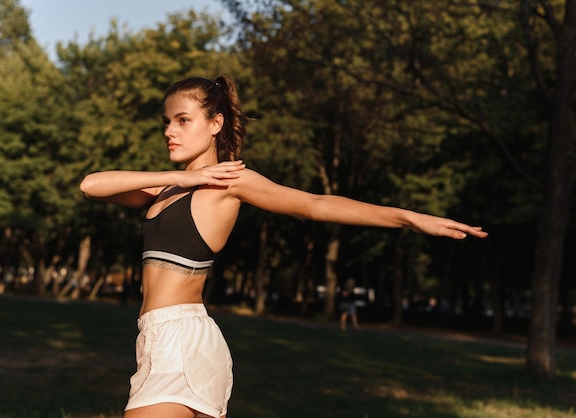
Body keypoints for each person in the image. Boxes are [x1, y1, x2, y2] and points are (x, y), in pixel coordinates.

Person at [79, 75, 488, 418]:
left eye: (183, 120)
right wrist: (183, 178)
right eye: (167, 121)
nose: (170, 130)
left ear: (216, 123)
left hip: (182, 341)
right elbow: (92, 185)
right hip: (152, 339)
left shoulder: (230, 181)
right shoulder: (165, 187)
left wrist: (407, 217)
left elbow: (314, 205)